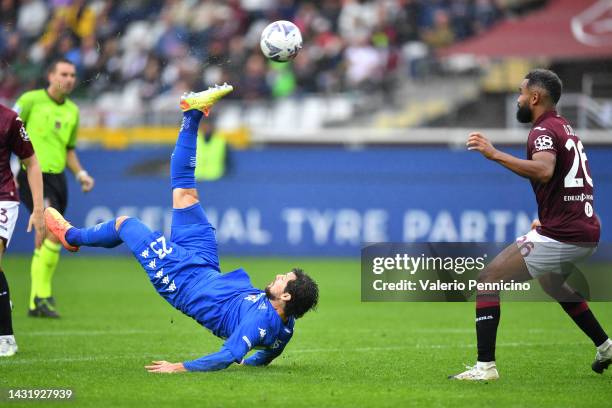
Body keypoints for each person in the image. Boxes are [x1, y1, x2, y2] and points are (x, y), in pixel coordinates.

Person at [44, 84, 319, 372]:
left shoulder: (260, 322)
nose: (277, 276)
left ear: (286, 296)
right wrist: (255, 363)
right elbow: (267, 355)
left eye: (283, 279)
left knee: (126, 224)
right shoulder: (286, 328)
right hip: (206, 267)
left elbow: (227, 355)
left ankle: (71, 236)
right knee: (185, 193)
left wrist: (178, 367)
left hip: (182, 281)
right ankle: (192, 113)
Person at [449, 69, 611, 380]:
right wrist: (556, 216)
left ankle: (485, 368)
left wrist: (494, 153)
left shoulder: (543, 132)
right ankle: (605, 346)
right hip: (583, 229)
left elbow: (544, 170)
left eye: (522, 94)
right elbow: (570, 182)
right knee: (552, 282)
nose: (519, 100)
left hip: (563, 234)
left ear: (535, 98)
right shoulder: (565, 128)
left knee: (488, 278)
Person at [13, 58, 95, 318]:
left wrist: (81, 173)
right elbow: (8, 130)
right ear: (50, 75)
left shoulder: (73, 111)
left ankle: (38, 299)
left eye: (72, 75)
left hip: (58, 179)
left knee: (52, 235)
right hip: (32, 175)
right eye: (64, 74)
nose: (69, 79)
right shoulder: (30, 101)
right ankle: (40, 298)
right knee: (48, 229)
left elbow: (68, 149)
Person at [0, 103, 45, 357]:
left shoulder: (10, 120)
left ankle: (6, 337)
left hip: (3, 197)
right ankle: (3, 300)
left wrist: (38, 209)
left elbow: (32, 162)